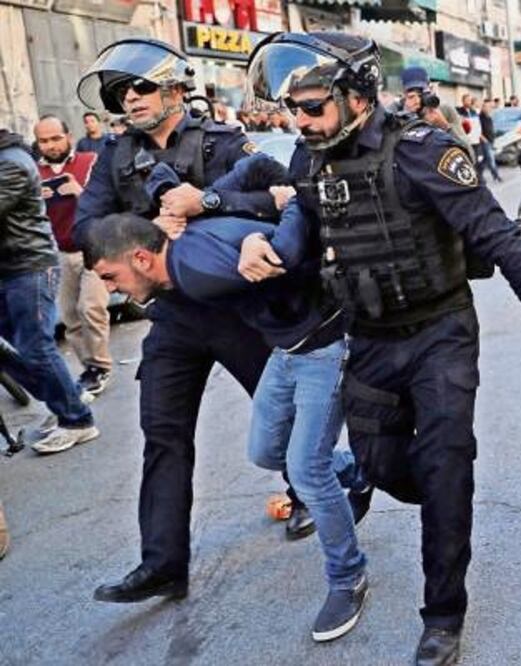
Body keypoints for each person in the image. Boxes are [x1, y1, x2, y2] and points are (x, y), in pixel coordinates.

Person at [241, 31, 521, 664]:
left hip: (440, 334)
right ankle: (414, 487)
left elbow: (500, 239)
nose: (302, 122)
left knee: (446, 470)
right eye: (294, 110)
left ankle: (443, 615)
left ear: (358, 98)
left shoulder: (423, 152)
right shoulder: (308, 159)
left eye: (313, 107)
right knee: (384, 467)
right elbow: (297, 217)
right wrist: (249, 238)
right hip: (368, 339)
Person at [83, 167, 372, 641]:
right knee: (266, 451)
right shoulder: (182, 253)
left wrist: (293, 201)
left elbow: (286, 252)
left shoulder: (195, 272)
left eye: (111, 276)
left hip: (323, 346)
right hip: (286, 350)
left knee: (306, 470)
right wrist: (218, 204)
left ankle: (347, 577)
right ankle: (361, 469)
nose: (111, 288)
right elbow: (237, 184)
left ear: (139, 257)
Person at [72, 37, 311, 606]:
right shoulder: (115, 156)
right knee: (162, 431)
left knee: (280, 410)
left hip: (237, 306)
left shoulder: (226, 142)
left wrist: (204, 203)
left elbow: (280, 196)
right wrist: (152, 228)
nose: (129, 98)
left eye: (141, 86)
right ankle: (162, 563)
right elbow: (87, 226)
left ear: (176, 88)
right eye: (119, 91)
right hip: (173, 313)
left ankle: (312, 493)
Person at [0, 127, 99, 454]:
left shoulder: (11, 163)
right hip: (8, 269)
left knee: (35, 347)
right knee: (12, 350)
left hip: (28, 266)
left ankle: (77, 420)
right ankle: (67, 394)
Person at [33, 115, 113, 397]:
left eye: (56, 138)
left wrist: (79, 192)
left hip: (94, 246)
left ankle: (101, 366)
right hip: (60, 252)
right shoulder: (32, 172)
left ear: (68, 136)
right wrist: (36, 199)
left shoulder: (90, 160)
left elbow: (105, 200)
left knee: (91, 307)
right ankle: (90, 368)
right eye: (44, 140)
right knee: (70, 316)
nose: (51, 145)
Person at [400, 66, 472, 158]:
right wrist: (407, 115)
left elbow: (470, 155)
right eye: (411, 94)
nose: (417, 100)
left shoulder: (444, 110)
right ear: (404, 94)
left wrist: (445, 126)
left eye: (421, 93)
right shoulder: (397, 113)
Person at [478, 98, 501, 182]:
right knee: (491, 159)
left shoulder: (489, 117)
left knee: (485, 160)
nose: (489, 109)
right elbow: (478, 130)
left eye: (490, 107)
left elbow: (491, 128)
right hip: (485, 141)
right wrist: (484, 139)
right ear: (483, 108)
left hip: (491, 141)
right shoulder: (480, 117)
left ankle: (478, 174)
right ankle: (496, 176)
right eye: (487, 107)